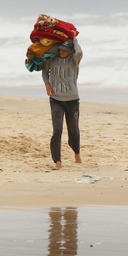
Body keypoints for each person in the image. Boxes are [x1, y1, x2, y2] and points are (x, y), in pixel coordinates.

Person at [41, 38, 83, 170]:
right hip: (56, 99)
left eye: (65, 50)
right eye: (60, 49)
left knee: (74, 130)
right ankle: (57, 161)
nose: (61, 52)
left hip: (72, 99)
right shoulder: (53, 59)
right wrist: (47, 84)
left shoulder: (74, 61)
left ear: (71, 51)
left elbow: (79, 52)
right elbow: (44, 71)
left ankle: (77, 154)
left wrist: (75, 40)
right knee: (57, 129)